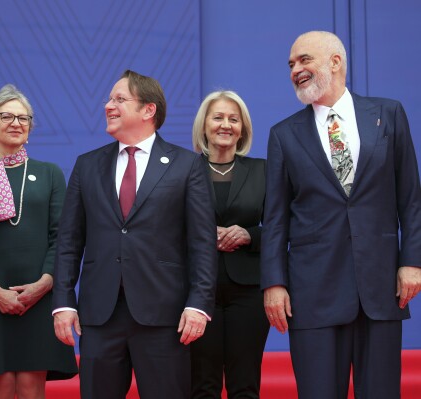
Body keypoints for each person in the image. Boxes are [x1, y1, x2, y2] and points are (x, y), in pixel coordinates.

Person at [261, 30, 421, 398]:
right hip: (312, 293)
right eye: (290, 64)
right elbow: (276, 218)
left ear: (335, 62)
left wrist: (412, 260)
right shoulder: (284, 135)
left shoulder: (389, 114)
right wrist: (273, 283)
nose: (295, 70)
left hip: (380, 289)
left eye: (304, 60)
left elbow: (410, 198)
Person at [52, 69, 218, 399]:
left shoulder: (186, 165)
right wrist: (63, 303)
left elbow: (202, 243)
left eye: (119, 99)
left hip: (164, 317)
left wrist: (199, 304)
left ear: (148, 110)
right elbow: (69, 241)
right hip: (100, 316)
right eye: (108, 99)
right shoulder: (87, 165)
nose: (108, 106)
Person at [0, 84, 78, 398]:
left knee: (31, 389)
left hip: (39, 299)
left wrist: (43, 284)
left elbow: (62, 236)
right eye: (7, 116)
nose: (17, 123)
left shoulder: (50, 173)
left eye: (24, 118)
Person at [190, 90, 269, 398]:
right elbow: (164, 227)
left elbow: (282, 227)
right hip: (196, 291)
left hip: (248, 291)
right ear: (204, 125)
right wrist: (200, 233)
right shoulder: (182, 170)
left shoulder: (263, 170)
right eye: (218, 117)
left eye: (233, 119)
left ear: (243, 128)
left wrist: (250, 235)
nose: (226, 125)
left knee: (245, 384)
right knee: (201, 384)